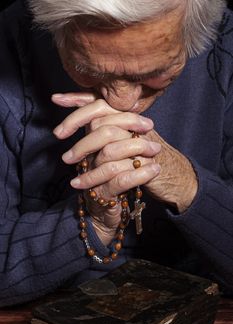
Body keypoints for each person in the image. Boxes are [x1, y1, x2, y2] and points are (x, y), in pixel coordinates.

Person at [0, 0, 232, 307]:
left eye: (156, 72)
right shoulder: (11, 38)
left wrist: (186, 184)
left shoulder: (226, 43)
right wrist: (89, 221)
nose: (122, 103)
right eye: (87, 70)